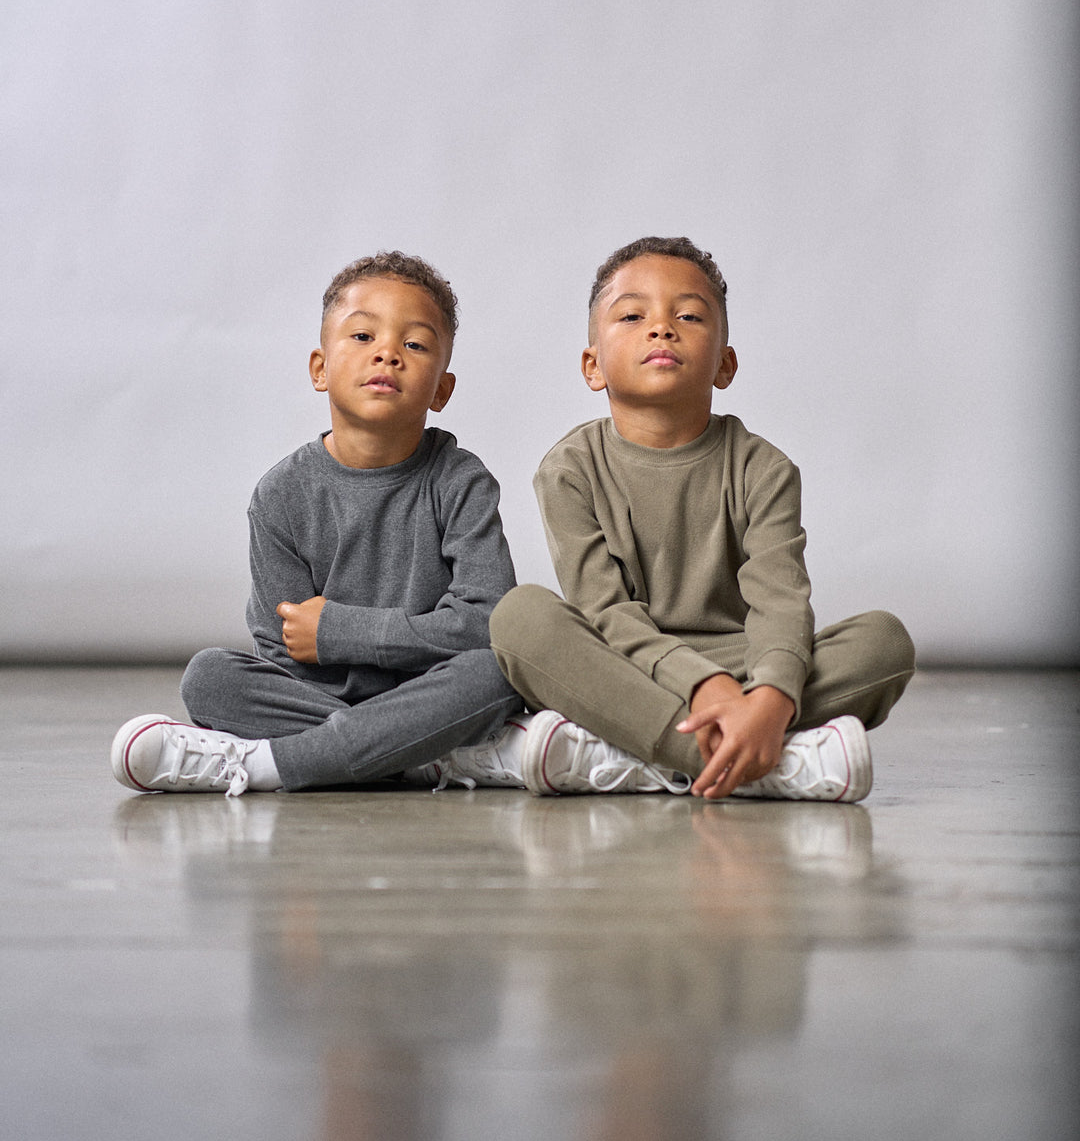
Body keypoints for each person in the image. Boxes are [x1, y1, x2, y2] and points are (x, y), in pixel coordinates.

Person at [422, 235, 915, 802]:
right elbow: (604, 613)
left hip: (740, 662)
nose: (661, 328)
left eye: (688, 315)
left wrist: (772, 696)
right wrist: (701, 687)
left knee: (884, 642)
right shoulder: (568, 470)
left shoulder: (765, 468)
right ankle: (764, 760)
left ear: (725, 364)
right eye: (632, 315)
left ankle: (635, 749)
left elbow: (779, 605)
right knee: (520, 620)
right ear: (593, 366)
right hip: (623, 664)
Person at [111, 251, 524, 797]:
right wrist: (392, 707)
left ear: (442, 390)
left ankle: (266, 765)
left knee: (493, 676)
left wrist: (339, 632)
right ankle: (432, 755)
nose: (387, 354)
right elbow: (281, 647)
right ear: (320, 369)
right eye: (361, 337)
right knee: (210, 677)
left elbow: (486, 622)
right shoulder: (281, 494)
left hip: (435, 690)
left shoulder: (460, 480)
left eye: (415, 344)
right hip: (335, 700)